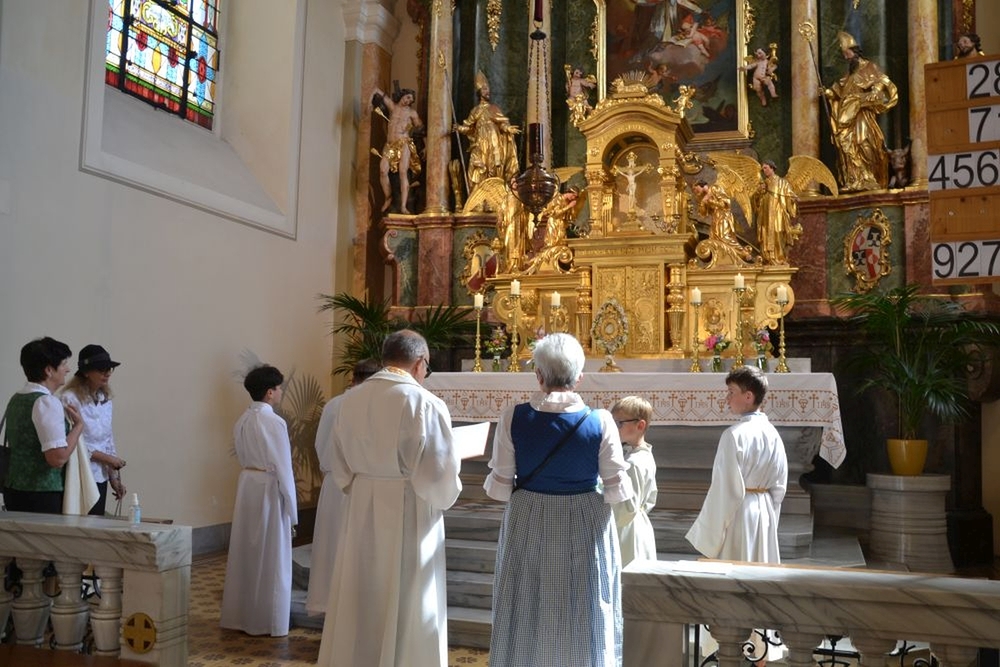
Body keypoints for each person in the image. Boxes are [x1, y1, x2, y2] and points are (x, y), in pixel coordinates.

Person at [484, 333, 634, 667]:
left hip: (528, 514)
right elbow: (616, 488)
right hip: (585, 518)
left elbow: (500, 487)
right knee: (586, 599)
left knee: (526, 598)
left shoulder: (513, 416)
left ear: (538, 375)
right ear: (579, 377)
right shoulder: (601, 420)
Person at [316, 330, 461, 667]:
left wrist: (364, 482)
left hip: (361, 503)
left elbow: (339, 464)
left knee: (361, 591)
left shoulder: (348, 400)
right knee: (409, 594)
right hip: (409, 504)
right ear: (419, 362)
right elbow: (439, 471)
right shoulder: (425, 403)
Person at [220, 364, 298, 637]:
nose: (281, 392)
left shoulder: (242, 419)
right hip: (268, 487)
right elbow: (283, 467)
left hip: (248, 484)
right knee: (272, 554)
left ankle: (241, 616)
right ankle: (269, 620)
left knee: (247, 553)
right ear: (269, 392)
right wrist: (292, 509)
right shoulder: (274, 422)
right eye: (278, 388)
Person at [686, 365, 788, 563]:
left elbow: (724, 489)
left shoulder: (733, 435)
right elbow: (780, 485)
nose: (727, 398)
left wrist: (710, 536)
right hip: (765, 509)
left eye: (731, 392)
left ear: (748, 396)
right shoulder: (773, 433)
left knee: (736, 570)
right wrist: (770, 516)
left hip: (739, 515)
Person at [305, 357, 381, 616]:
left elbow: (320, 443)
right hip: (357, 483)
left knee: (331, 544)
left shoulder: (334, 404)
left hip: (332, 482)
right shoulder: (369, 405)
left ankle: (327, 603)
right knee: (353, 548)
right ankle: (351, 608)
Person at [3, 337, 83, 514]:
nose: (68, 369)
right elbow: (57, 459)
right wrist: (78, 427)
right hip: (41, 494)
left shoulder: (16, 398)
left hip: (14, 488)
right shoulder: (46, 402)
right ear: (49, 370)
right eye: (63, 364)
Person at [823, 31, 898, 192]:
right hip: (847, 115)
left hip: (862, 115)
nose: (845, 58)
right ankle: (854, 179)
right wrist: (827, 93)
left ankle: (869, 178)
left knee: (865, 144)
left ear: (854, 51)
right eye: (844, 55)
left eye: (847, 53)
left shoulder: (869, 67)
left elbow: (881, 81)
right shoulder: (849, 74)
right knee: (846, 144)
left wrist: (875, 91)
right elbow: (839, 92)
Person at [60, 344, 126, 516]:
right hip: (78, 474)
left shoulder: (105, 399)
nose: (107, 373)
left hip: (100, 475)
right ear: (86, 372)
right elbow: (71, 442)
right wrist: (108, 459)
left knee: (97, 523)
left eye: (109, 369)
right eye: (101, 369)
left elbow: (108, 440)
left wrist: (113, 477)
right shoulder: (70, 398)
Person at [454, 71, 520, 197]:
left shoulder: (494, 108)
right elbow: (469, 127)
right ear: (479, 92)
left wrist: (508, 129)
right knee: (478, 167)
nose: (487, 91)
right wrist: (459, 128)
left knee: (494, 166)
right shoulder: (475, 111)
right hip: (480, 143)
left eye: (488, 89)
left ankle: (495, 196)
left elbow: (502, 124)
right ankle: (479, 197)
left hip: (494, 143)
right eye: (484, 89)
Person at [611, 396, 658, 566]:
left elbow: (627, 509)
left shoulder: (633, 463)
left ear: (640, 425)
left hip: (627, 532)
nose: (614, 428)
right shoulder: (641, 454)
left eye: (619, 423)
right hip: (638, 525)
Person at [373, 85, 423, 214]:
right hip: (390, 145)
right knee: (383, 170)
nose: (408, 101)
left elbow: (420, 127)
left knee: (402, 172)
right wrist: (369, 101)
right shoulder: (393, 107)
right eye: (407, 97)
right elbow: (379, 92)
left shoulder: (412, 113)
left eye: (411, 100)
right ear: (402, 95)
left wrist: (415, 128)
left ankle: (403, 206)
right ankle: (388, 197)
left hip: (403, 143)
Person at [754, 160, 800, 265]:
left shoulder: (782, 182)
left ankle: (780, 258)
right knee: (766, 234)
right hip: (765, 214)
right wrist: (759, 192)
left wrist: (793, 199)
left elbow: (789, 194)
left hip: (778, 213)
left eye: (765, 168)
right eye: (763, 169)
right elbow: (756, 200)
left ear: (772, 168)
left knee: (778, 232)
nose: (764, 170)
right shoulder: (763, 183)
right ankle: (769, 258)